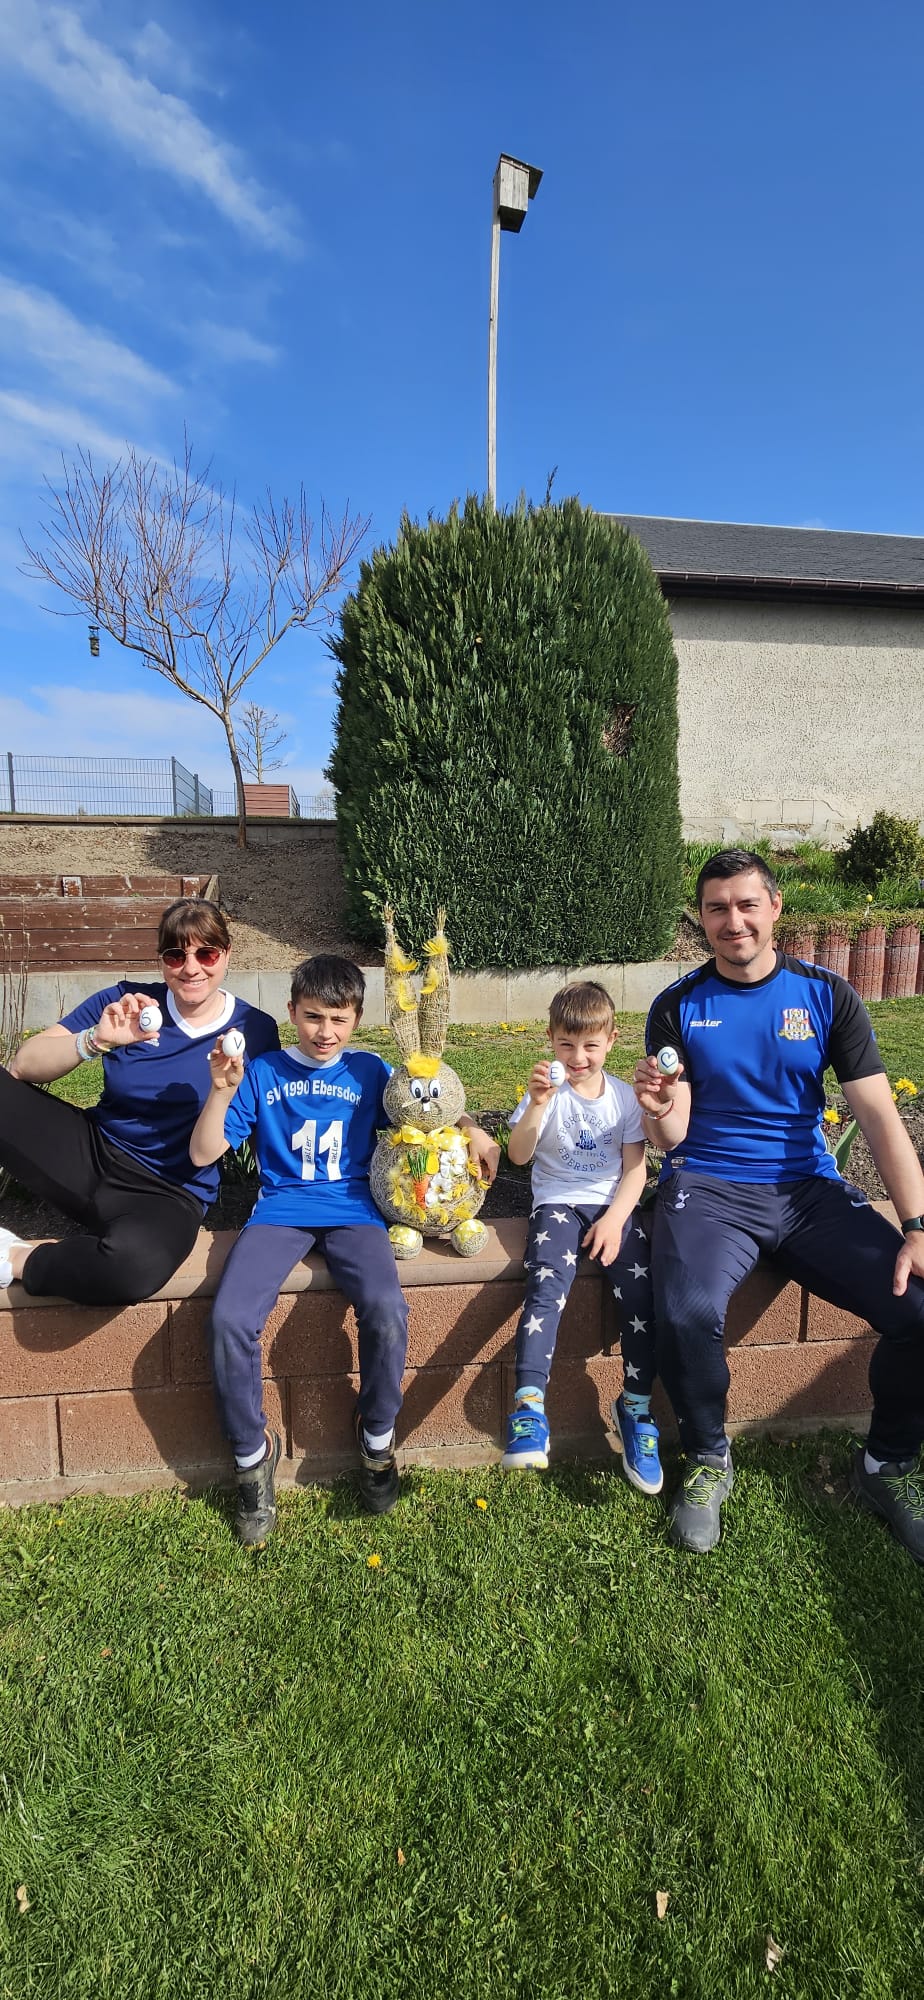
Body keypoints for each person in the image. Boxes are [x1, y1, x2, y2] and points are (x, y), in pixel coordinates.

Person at [635, 847, 924, 1558]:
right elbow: (673, 1136)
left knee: (918, 1308)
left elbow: (879, 1117)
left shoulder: (827, 996)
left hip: (806, 1191)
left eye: (746, 904)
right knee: (684, 1312)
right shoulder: (677, 1005)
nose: (733, 921)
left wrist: (916, 1226)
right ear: (701, 918)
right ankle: (708, 1457)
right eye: (716, 909)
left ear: (775, 907)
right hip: (708, 1187)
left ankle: (886, 1466)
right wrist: (660, 1108)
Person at [190, 952, 501, 1546]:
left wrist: (475, 1131)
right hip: (281, 1210)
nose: (325, 1031)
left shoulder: (371, 1070)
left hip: (356, 1209)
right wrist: (220, 1092)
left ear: (357, 1018)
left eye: (339, 1019)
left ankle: (377, 1436)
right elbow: (203, 1153)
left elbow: (428, 1105)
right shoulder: (263, 1072)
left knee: (385, 1308)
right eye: (313, 1017)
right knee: (230, 1318)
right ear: (291, 1012)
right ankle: (252, 1455)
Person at [0, 898, 279, 1305]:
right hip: (91, 1153)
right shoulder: (126, 1002)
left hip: (170, 1191)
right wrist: (96, 1040)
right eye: (175, 955)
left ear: (226, 954)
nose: (191, 968)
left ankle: (14, 1257)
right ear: (161, 960)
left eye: (206, 953)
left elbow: (264, 1122)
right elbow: (23, 1065)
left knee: (132, 1270)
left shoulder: (255, 1029)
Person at [501, 981, 661, 1491]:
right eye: (566, 1044)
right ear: (550, 1039)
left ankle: (635, 1408)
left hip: (611, 1206)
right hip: (557, 1203)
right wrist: (536, 1105)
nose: (577, 1057)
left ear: (611, 1041)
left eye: (590, 1045)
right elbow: (518, 1156)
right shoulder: (545, 1095)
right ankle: (529, 1408)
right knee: (545, 1286)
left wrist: (615, 1220)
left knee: (640, 1292)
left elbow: (635, 1170)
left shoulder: (624, 1099)